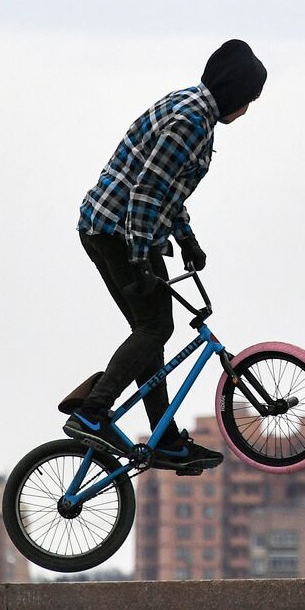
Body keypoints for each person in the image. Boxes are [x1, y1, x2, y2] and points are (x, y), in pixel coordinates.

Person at [64, 39, 266, 473]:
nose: (247, 111)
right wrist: (139, 260)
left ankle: (164, 438)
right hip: (116, 230)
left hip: (123, 229)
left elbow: (167, 190)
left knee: (151, 329)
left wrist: (186, 236)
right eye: (248, 100)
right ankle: (93, 411)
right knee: (155, 326)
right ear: (234, 92)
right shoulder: (192, 120)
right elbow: (147, 192)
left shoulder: (195, 109)